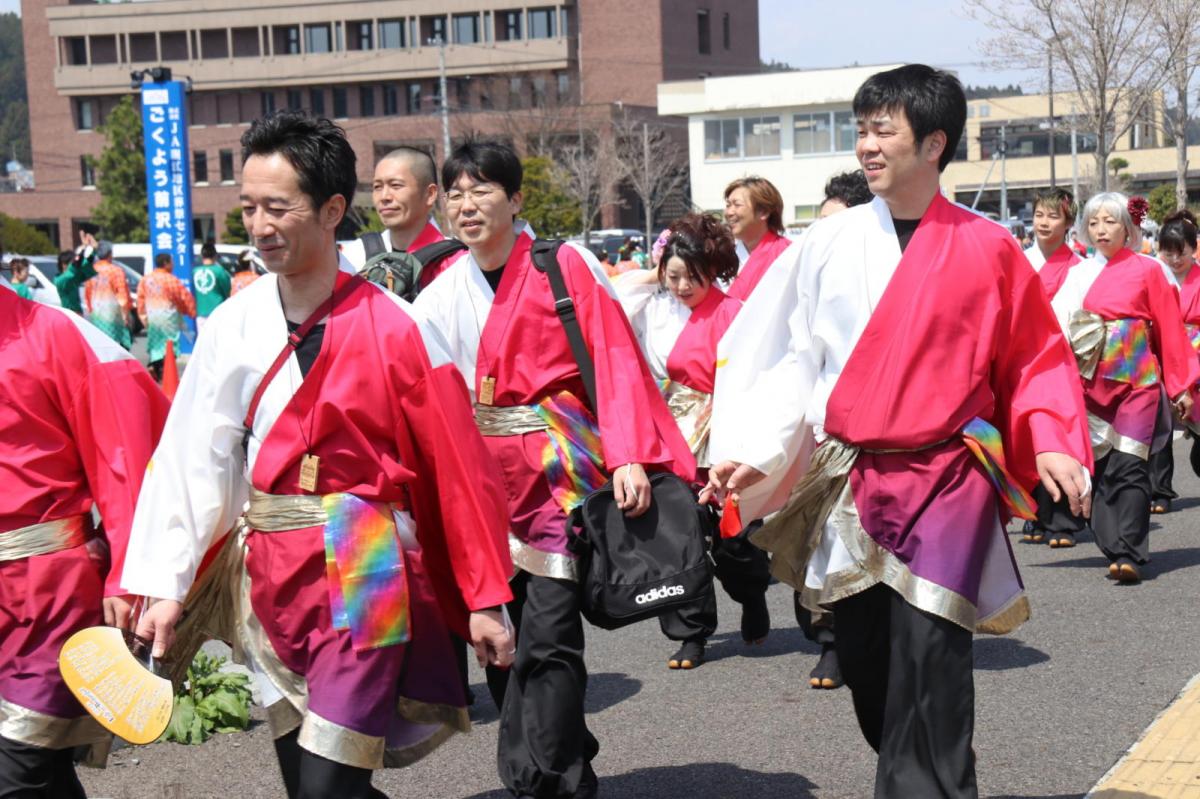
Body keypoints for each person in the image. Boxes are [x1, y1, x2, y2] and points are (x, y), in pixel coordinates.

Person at [705, 64, 1093, 798]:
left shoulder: (989, 248)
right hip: (852, 476)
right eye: (862, 130)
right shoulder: (826, 245)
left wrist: (1049, 436)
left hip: (948, 474)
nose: (865, 146)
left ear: (934, 143)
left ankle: (932, 787)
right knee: (870, 659)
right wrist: (753, 452)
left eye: (883, 129)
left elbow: (1034, 356)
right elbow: (797, 360)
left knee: (933, 653)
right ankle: (917, 773)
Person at [124, 111, 516, 799]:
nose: (259, 224)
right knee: (312, 783)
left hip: (365, 558)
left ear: (333, 208)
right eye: (249, 207)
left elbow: (458, 470)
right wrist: (164, 583)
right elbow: (192, 459)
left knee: (326, 788)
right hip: (270, 578)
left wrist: (484, 596)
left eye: (279, 207)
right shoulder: (230, 327)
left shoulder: (400, 329)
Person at [414, 138, 694, 799]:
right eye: (455, 192)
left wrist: (626, 453)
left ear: (516, 199)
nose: (467, 204)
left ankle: (548, 775)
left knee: (552, 631)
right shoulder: (442, 291)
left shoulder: (564, 264)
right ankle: (559, 748)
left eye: (482, 189)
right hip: (483, 482)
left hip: (559, 471)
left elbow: (615, 356)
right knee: (503, 633)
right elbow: (423, 391)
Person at [0, 284, 168, 798]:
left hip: (44, 594)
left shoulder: (56, 333)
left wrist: (131, 573)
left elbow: (131, 457)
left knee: (18, 769)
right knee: (42, 773)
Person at [615, 212, 741, 670]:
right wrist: (659, 266)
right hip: (669, 430)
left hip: (723, 427)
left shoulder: (733, 313)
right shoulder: (654, 304)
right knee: (678, 533)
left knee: (736, 543)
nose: (683, 286)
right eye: (674, 276)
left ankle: (751, 592)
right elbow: (613, 300)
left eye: (694, 277)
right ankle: (690, 632)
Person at [1051, 193, 1197, 581]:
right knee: (1100, 467)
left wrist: (1181, 385)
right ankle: (1112, 544)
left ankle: (1130, 552)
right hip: (1089, 386)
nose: (1101, 229)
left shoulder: (1149, 269)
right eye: (1094, 222)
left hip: (1138, 382)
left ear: (1127, 227)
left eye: (1110, 221)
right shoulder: (1076, 274)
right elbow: (1054, 329)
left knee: (1132, 464)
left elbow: (1168, 327)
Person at [1020, 188, 1084, 545]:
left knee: (1059, 439)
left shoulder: (1078, 268)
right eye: (1039, 215)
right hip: (1025, 361)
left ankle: (1063, 521)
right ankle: (1036, 515)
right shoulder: (1019, 259)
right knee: (1028, 439)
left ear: (1068, 223)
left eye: (1053, 216)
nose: (1044, 223)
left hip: (1062, 362)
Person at [341, 146, 462, 289]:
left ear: (430, 194)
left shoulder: (456, 262)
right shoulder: (354, 256)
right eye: (377, 187)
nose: (384, 197)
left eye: (396, 185)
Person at [1157, 210, 1200, 480]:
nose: (1174, 260)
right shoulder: (1155, 275)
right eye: (1168, 253)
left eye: (1181, 253)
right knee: (1158, 423)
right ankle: (1160, 489)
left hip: (1196, 356)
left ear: (1194, 249)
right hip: (1164, 354)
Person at [724, 176, 792, 301]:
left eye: (737, 205)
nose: (729, 212)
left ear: (763, 212)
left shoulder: (788, 254)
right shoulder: (723, 257)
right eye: (728, 205)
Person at [137, 252, 197, 381]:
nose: (173, 264)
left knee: (155, 343)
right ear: (166, 264)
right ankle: (165, 370)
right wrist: (190, 311)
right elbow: (182, 298)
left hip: (152, 315)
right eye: (171, 261)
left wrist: (142, 316)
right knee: (170, 343)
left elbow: (140, 299)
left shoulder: (146, 279)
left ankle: (153, 365)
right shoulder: (171, 279)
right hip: (168, 316)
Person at [83, 240, 133, 349]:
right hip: (113, 313)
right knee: (117, 344)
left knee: (101, 346)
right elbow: (122, 295)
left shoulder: (90, 271)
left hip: (97, 313)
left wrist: (91, 310)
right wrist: (125, 313)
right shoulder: (116, 271)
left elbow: (87, 294)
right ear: (110, 254)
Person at [53, 233, 98, 314]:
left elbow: (85, 264)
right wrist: (83, 248)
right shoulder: (60, 280)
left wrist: (93, 250)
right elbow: (75, 265)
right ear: (64, 265)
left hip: (78, 314)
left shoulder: (73, 277)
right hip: (69, 315)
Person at [192, 241, 232, 329]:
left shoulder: (194, 272)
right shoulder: (220, 271)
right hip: (218, 311)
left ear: (201, 255)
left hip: (201, 313)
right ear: (215, 255)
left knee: (203, 341)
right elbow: (227, 291)